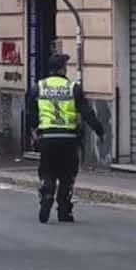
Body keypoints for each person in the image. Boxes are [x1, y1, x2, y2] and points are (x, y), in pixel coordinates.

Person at [25, 52, 105, 224]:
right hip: (69, 138)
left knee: (47, 170)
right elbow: (87, 113)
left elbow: (31, 114)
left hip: (47, 137)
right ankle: (64, 210)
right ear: (62, 69)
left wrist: (33, 131)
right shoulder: (72, 88)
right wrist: (100, 131)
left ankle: (47, 191)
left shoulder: (38, 87)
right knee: (68, 174)